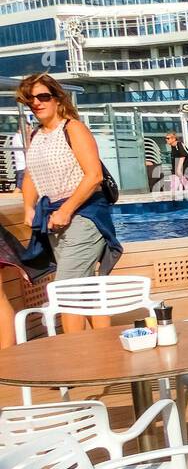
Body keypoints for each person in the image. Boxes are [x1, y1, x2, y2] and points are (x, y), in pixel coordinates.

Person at [16, 73, 122, 332]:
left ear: (57, 98)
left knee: (67, 291)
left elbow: (94, 175)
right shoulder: (36, 135)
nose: (37, 103)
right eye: (31, 99)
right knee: (86, 291)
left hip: (84, 216)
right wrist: (28, 207)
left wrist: (66, 210)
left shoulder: (73, 128)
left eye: (43, 97)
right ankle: (106, 352)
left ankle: (75, 360)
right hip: (55, 219)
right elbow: (30, 176)